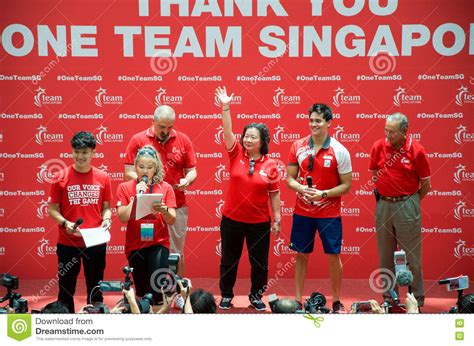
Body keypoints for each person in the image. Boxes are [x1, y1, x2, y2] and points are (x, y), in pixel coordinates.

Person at [214, 87, 281, 311]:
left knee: (260, 264)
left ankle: (256, 296)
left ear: (263, 141)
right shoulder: (235, 153)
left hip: (259, 223)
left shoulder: (271, 164)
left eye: (253, 137)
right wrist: (226, 107)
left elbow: (274, 193)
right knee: (229, 260)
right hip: (232, 219)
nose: (248, 139)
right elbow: (227, 131)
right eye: (246, 136)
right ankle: (226, 294)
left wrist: (278, 219)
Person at [286, 103, 352, 313]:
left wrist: (324, 194)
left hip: (329, 214)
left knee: (333, 256)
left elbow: (346, 186)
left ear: (329, 123)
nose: (313, 124)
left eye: (318, 121)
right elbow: (289, 178)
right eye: (311, 120)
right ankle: (297, 300)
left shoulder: (340, 151)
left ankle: (336, 300)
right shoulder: (298, 146)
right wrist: (301, 188)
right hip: (302, 211)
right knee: (301, 255)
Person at [124, 105, 196, 277]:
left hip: (175, 205)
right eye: (162, 127)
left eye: (170, 127)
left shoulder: (183, 140)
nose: (166, 131)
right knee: (148, 248)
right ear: (153, 121)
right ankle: (151, 290)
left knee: (176, 251)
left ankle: (178, 290)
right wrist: (146, 181)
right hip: (146, 207)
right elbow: (128, 171)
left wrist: (187, 180)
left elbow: (192, 171)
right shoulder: (138, 139)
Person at [369, 113, 431, 307]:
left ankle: (417, 300)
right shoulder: (379, 146)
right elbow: (374, 173)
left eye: (392, 131)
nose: (388, 134)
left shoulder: (417, 150)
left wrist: (410, 201)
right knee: (385, 257)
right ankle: (389, 300)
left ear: (405, 131)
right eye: (386, 130)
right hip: (384, 205)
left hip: (407, 203)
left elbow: (426, 184)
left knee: (412, 257)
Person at [48, 131, 112, 313]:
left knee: (96, 288)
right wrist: (65, 222)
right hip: (68, 241)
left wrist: (107, 219)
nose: (80, 156)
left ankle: (97, 325)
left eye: (84, 152)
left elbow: (106, 207)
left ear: (93, 152)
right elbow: (52, 209)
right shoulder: (60, 176)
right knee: (66, 289)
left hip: (95, 240)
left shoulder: (103, 177)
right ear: (72, 151)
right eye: (76, 151)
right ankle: (65, 326)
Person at [117, 145, 177, 307]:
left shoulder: (166, 188)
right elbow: (122, 217)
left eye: (149, 167)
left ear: (155, 168)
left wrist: (164, 210)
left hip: (158, 242)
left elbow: (172, 219)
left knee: (156, 291)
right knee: (143, 291)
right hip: (135, 244)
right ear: (135, 167)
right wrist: (136, 197)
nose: (145, 171)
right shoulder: (125, 187)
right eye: (141, 167)